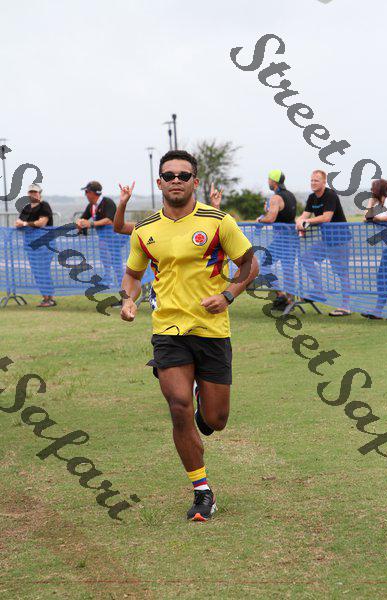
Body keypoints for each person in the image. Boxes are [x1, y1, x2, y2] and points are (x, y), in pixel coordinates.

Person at [120, 150, 258, 521]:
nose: (176, 180)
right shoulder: (145, 229)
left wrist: (228, 295)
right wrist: (128, 300)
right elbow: (132, 275)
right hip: (168, 329)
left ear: (195, 181)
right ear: (159, 182)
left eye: (184, 175)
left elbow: (250, 264)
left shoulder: (219, 221)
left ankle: (203, 406)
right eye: (169, 175)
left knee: (215, 419)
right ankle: (202, 491)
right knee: (177, 405)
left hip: (212, 330)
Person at [296, 170, 352, 317]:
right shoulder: (311, 197)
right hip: (326, 241)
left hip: (340, 240)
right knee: (306, 258)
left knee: (342, 273)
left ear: (324, 182)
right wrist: (299, 221)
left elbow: (327, 217)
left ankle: (346, 306)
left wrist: (306, 221)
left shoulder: (330, 195)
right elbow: (304, 215)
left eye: (316, 180)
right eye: (312, 180)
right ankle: (319, 291)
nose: (313, 183)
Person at [257, 170, 298, 310]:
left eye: (269, 179)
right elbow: (283, 214)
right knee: (288, 269)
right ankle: (290, 300)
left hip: (282, 239)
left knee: (263, 265)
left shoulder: (275, 198)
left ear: (273, 181)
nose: (268, 182)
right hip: (292, 237)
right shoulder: (291, 195)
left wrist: (260, 219)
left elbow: (271, 218)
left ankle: (281, 295)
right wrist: (268, 210)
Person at [362, 179, 387, 319]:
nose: (371, 192)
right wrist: (371, 203)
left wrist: (378, 219)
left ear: (378, 189)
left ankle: (378, 311)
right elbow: (366, 218)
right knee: (384, 280)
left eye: (373, 189)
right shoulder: (381, 205)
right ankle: (377, 311)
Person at [76, 181, 124, 287]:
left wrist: (91, 224)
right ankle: (109, 278)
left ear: (93, 193)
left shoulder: (108, 202)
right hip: (103, 238)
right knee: (104, 256)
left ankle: (123, 285)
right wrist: (79, 223)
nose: (85, 194)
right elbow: (83, 218)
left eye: (86, 192)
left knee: (116, 262)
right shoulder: (91, 206)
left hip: (115, 238)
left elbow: (109, 220)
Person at [15, 183, 56, 307]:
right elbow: (17, 223)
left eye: (35, 192)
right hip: (31, 246)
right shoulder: (27, 208)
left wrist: (25, 224)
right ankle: (46, 298)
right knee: (37, 271)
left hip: (45, 245)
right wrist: (23, 223)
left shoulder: (44, 206)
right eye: (31, 192)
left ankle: (49, 298)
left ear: (39, 193)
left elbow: (41, 223)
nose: (33, 194)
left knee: (43, 270)